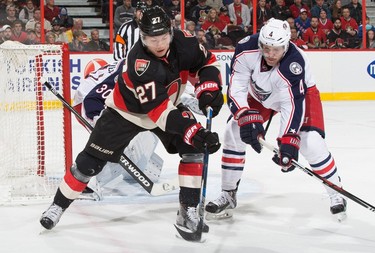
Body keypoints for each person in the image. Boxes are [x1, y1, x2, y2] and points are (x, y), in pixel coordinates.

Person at [39, 6, 224, 236]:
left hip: (167, 105)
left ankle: (187, 210)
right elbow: (159, 113)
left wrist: (209, 89)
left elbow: (207, 63)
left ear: (171, 30)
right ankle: (57, 205)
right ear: (142, 37)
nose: (159, 44)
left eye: (164, 37)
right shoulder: (140, 64)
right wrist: (194, 131)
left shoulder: (185, 42)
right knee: (89, 164)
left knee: (193, 150)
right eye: (151, 39)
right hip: (126, 113)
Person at [205, 18, 347, 222]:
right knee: (233, 131)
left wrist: (288, 139)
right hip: (260, 94)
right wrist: (246, 116)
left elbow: (291, 103)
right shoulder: (246, 49)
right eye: (266, 48)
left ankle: (336, 192)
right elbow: (236, 88)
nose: (270, 54)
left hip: (300, 95)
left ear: (286, 44)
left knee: (310, 142)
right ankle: (228, 193)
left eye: (276, 49)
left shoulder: (294, 62)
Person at [72, 59, 164, 200]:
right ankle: (88, 182)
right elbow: (91, 100)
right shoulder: (118, 70)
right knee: (103, 143)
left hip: (93, 102)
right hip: (87, 104)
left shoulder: (118, 70)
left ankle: (140, 164)